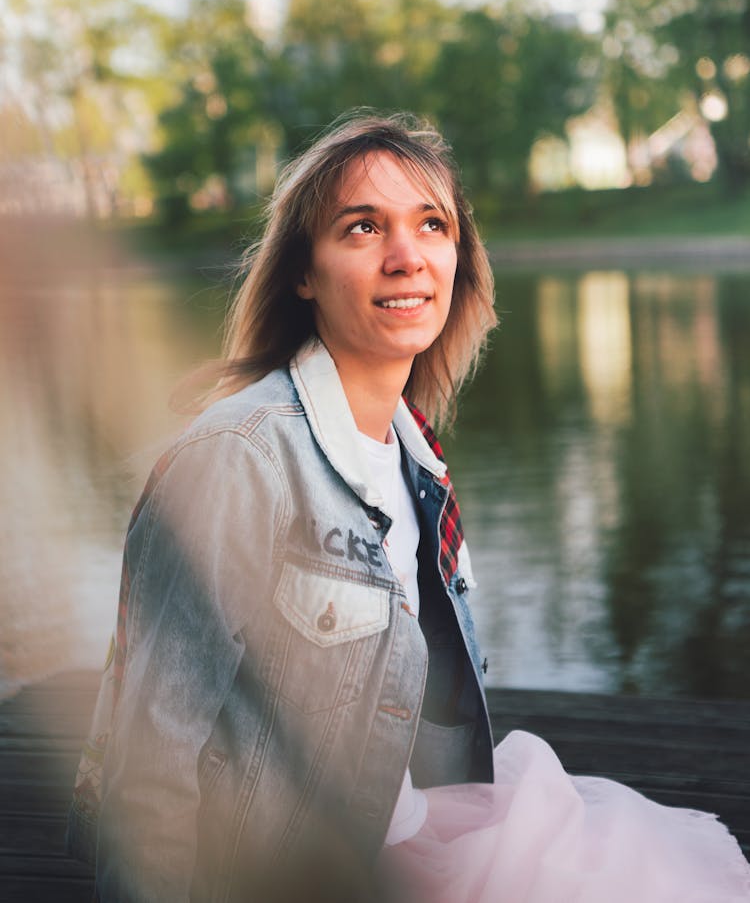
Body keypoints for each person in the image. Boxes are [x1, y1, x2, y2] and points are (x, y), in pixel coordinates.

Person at [68, 111, 750, 903]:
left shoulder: (413, 454)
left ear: (459, 258)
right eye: (363, 227)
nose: (407, 257)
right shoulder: (238, 458)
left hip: (400, 841)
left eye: (432, 224)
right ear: (304, 271)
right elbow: (144, 773)